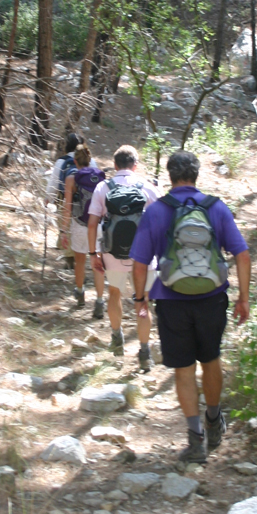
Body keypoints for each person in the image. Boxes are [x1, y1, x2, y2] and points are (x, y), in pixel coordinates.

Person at [130, 149, 250, 462]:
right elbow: (243, 254)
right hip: (212, 300)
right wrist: (244, 298)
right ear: (196, 175)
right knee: (211, 360)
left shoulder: (156, 211)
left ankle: (195, 439)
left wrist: (140, 298)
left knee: (183, 370)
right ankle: (214, 420)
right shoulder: (216, 208)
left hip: (171, 302)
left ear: (170, 176)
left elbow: (140, 262)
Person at [87, 145, 160, 369]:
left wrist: (93, 254)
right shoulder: (148, 187)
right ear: (135, 166)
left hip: (112, 252)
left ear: (115, 165)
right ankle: (145, 353)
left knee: (115, 294)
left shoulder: (102, 187)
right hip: (143, 256)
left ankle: (117, 339)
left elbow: (92, 224)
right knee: (143, 301)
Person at [60, 142, 106, 317]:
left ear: (75, 161)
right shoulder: (101, 177)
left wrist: (63, 231)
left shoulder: (71, 179)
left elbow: (67, 206)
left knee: (80, 261)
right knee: (98, 263)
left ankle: (80, 293)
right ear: (89, 159)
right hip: (99, 225)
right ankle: (100, 301)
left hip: (79, 224)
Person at [47, 133, 83, 268]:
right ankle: (80, 261)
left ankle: (70, 261)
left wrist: (48, 198)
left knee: (66, 227)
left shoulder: (61, 161)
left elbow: (54, 182)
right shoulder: (90, 161)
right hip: (85, 202)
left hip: (65, 199)